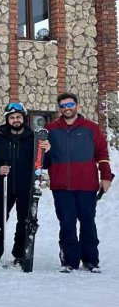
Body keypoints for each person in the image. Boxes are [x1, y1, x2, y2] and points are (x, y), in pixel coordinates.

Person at [45, 92, 111, 273]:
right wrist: (47, 151)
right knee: (67, 223)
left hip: (86, 185)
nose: (67, 108)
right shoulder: (50, 130)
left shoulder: (91, 128)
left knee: (88, 222)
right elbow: (42, 162)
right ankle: (69, 260)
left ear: (77, 106)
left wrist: (106, 176)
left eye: (70, 104)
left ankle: (90, 260)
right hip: (61, 186)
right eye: (63, 106)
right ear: (59, 109)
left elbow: (102, 154)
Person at [0, 103, 42, 266]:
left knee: (24, 220)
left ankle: (19, 253)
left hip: (25, 185)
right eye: (12, 118)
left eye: (18, 117)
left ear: (23, 119)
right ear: (7, 120)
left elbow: (43, 162)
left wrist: (47, 149)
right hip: (3, 185)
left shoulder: (33, 138)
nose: (15, 120)